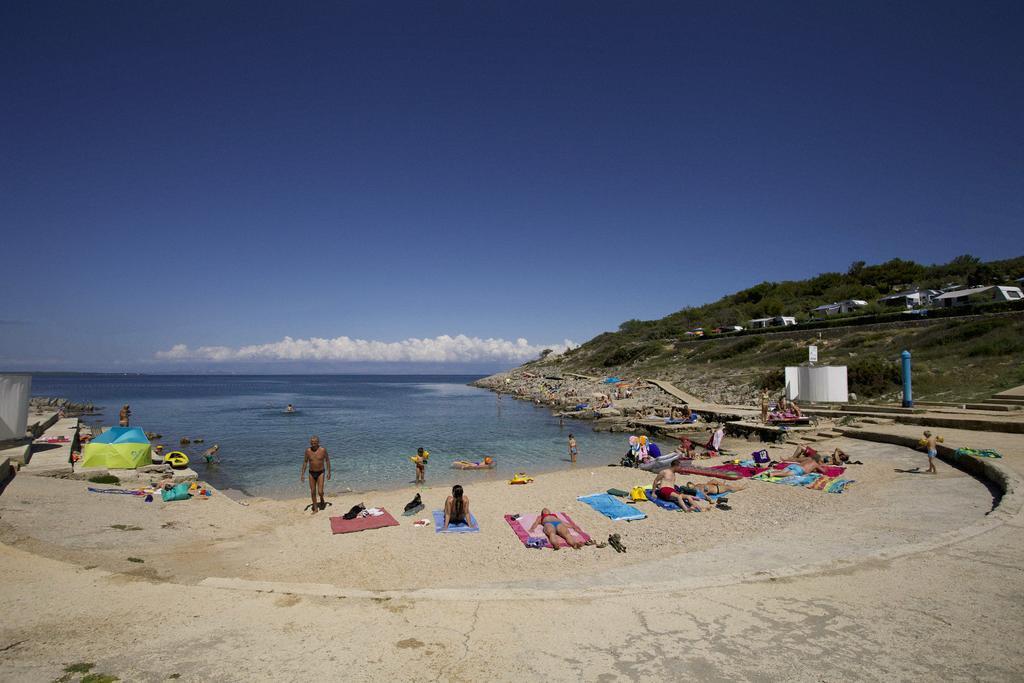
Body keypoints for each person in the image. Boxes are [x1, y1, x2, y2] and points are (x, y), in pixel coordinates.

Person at [300, 436, 330, 514]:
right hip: (311, 473)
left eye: (315, 442)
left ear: (318, 442)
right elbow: (305, 462)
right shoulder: (308, 451)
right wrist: (302, 474)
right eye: (312, 442)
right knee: (313, 491)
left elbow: (327, 460)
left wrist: (329, 472)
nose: (313, 444)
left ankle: (321, 498)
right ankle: (315, 508)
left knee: (320, 491)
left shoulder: (323, 450)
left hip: (321, 472)